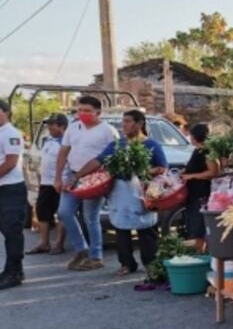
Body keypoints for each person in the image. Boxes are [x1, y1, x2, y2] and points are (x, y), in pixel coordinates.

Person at [74, 110, 168, 276]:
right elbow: (97, 161)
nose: (124, 125)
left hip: (142, 190)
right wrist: (77, 176)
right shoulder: (117, 145)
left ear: (140, 124)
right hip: (120, 192)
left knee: (146, 227)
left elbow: (162, 168)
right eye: (123, 121)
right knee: (121, 227)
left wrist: (143, 171)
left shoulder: (152, 145)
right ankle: (126, 263)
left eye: (128, 121)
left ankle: (151, 263)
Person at [56, 95, 117, 271]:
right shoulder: (73, 128)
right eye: (80, 110)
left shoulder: (108, 131)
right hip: (72, 174)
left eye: (87, 110)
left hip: (95, 179)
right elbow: (63, 153)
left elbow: (111, 157)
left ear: (98, 112)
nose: (82, 113)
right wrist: (58, 177)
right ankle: (81, 249)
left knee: (90, 217)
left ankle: (96, 256)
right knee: (64, 212)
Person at [27, 114, 67, 255]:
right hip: (45, 182)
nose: (49, 127)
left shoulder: (66, 142)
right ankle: (44, 243)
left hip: (60, 182)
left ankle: (59, 244)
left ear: (62, 126)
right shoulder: (48, 141)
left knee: (61, 213)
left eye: (52, 124)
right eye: (48, 124)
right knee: (42, 212)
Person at [0, 100, 27, 290]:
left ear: (6, 112)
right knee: (5, 230)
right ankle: (11, 268)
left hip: (11, 189)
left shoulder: (11, 133)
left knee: (12, 231)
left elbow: (10, 163)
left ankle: (15, 272)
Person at [181, 124, 219, 254]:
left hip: (200, 194)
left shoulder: (206, 151)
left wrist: (191, 176)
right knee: (193, 226)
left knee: (198, 228)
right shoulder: (198, 150)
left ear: (193, 137)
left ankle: (200, 255)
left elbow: (213, 171)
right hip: (193, 194)